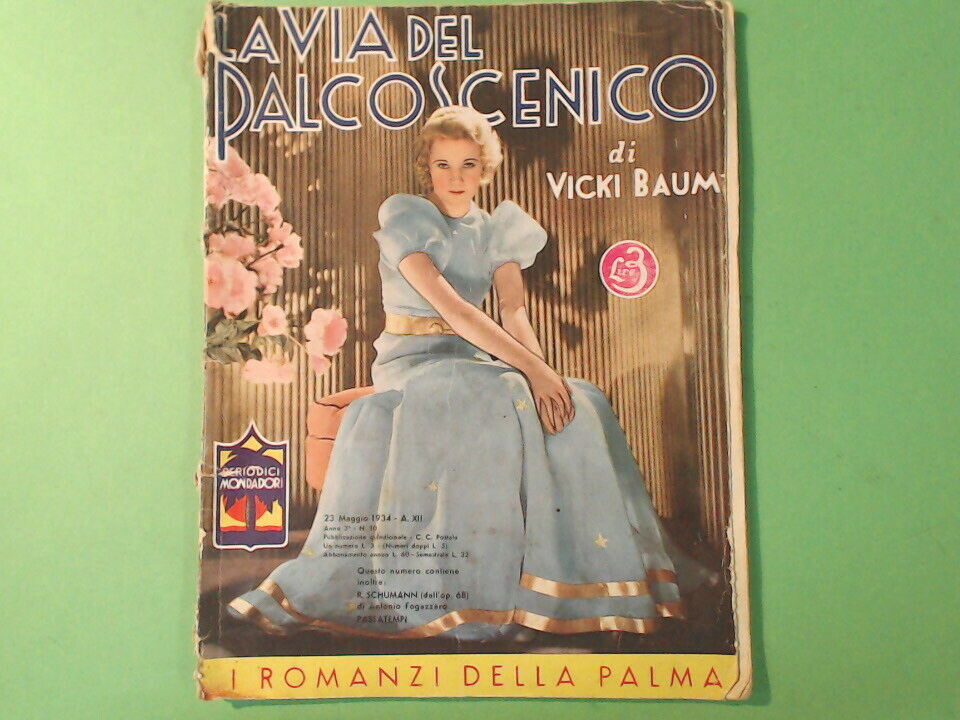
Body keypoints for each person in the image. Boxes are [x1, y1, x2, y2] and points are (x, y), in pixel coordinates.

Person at [227, 105, 715, 641]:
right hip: (413, 363)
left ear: (486, 169)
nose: (456, 177)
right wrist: (531, 370)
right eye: (443, 165)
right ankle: (470, 596)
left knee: (583, 398)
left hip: (478, 361)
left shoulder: (498, 229)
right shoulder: (408, 216)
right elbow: (455, 308)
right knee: (488, 387)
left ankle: (570, 584)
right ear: (427, 168)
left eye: (468, 165)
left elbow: (513, 311)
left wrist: (544, 376)